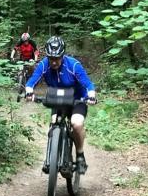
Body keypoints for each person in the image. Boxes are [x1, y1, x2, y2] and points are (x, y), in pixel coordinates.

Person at [25, 36, 97, 174]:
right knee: (53, 125)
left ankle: (80, 155)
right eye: (51, 58)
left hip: (77, 100)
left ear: (62, 55)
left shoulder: (73, 65)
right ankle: (51, 159)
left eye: (57, 58)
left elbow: (88, 84)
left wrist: (91, 95)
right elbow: (32, 81)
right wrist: (29, 92)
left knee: (76, 124)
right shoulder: (44, 64)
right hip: (57, 100)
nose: (54, 62)